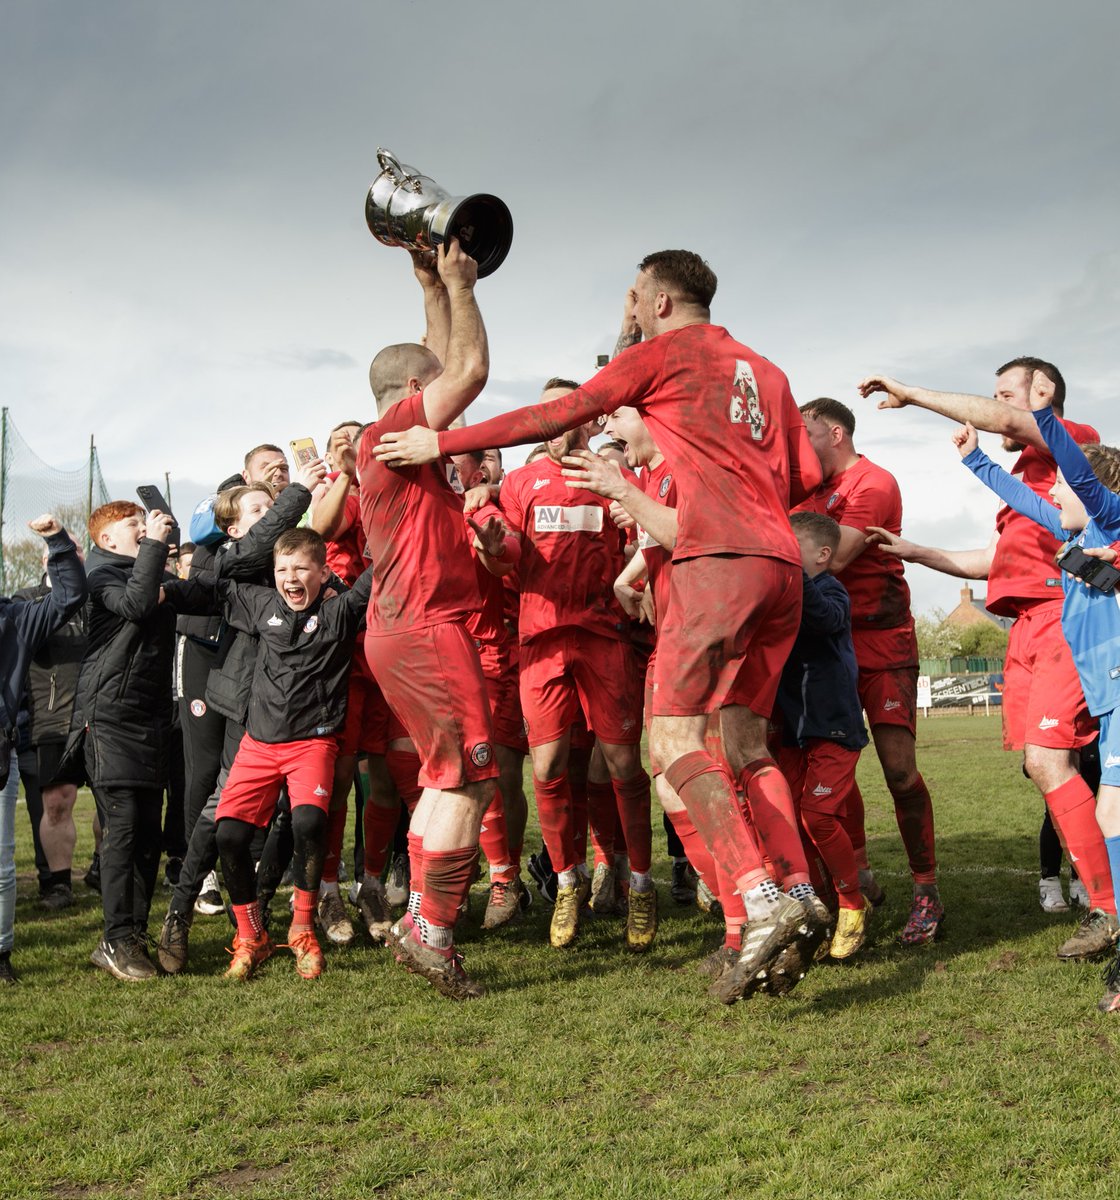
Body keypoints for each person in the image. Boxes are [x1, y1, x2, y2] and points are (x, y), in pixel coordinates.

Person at [375, 249, 828, 1003]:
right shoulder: (769, 373)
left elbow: (559, 413)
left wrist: (441, 442)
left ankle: (762, 900)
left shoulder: (663, 351)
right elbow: (804, 478)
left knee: (672, 741)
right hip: (780, 562)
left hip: (713, 558)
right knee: (745, 741)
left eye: (632, 298)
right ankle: (800, 888)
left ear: (654, 303)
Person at [859, 360, 1116, 960]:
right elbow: (994, 560)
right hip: (1025, 627)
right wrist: (916, 551)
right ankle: (1094, 887)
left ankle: (1105, 903)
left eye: (1003, 393)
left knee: (1053, 760)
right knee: (1044, 766)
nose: (992, 405)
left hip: (1060, 617)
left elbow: (1005, 419)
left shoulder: (1070, 443)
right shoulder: (1030, 482)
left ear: (1042, 395)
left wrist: (915, 395)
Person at [355, 237, 498, 1000]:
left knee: (448, 779)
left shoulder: (392, 441)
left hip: (405, 627)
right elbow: (467, 370)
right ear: (412, 389)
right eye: (431, 391)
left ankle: (422, 921)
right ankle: (430, 932)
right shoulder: (391, 441)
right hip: (425, 628)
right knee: (471, 780)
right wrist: (464, 284)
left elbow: (442, 362)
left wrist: (431, 292)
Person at [947, 374, 1120, 1006]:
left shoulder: (1089, 484)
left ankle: (1110, 915)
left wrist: (1044, 420)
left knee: (1085, 786)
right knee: (1078, 790)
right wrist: (974, 463)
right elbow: (1019, 511)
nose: (1057, 494)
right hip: (1067, 655)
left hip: (1089, 656)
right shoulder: (1059, 519)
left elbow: (1063, 467)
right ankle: (1105, 905)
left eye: (1005, 393)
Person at [168, 528, 372, 980]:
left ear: (323, 572)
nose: (291, 578)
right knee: (229, 837)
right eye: (283, 569)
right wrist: (162, 590)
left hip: (312, 743)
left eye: (301, 568)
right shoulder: (260, 604)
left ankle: (302, 929)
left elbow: (383, 572)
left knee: (307, 822)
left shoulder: (341, 610)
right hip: (258, 743)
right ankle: (251, 936)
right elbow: (211, 590)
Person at [496, 382, 655, 952]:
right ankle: (567, 883)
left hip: (605, 638)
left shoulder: (615, 479)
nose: (560, 422)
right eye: (552, 413)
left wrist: (630, 524)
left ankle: (639, 882)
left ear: (590, 421)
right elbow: (509, 554)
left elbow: (650, 542)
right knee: (548, 768)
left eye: (573, 411)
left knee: (622, 764)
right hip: (541, 642)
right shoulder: (519, 483)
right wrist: (493, 543)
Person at [794, 397, 941, 942]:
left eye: (804, 433)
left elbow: (842, 552)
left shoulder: (873, 482)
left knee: (899, 772)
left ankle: (926, 891)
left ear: (835, 433)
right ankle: (858, 877)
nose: (796, 444)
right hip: (827, 650)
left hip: (882, 642)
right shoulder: (804, 495)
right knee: (831, 764)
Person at [777, 513, 871, 958]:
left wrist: (793, 573)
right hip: (794, 732)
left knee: (817, 816)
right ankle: (826, 910)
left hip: (835, 728)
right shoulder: (783, 595)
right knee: (794, 821)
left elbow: (825, 619)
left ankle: (853, 905)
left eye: (789, 545)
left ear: (822, 555)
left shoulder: (831, 591)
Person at [0, 515, 87, 985]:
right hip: (31, 735)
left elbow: (71, 595)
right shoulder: (20, 610)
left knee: (1, 865)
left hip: (4, 750)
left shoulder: (15, 617)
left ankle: (0, 954)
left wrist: (57, 540)